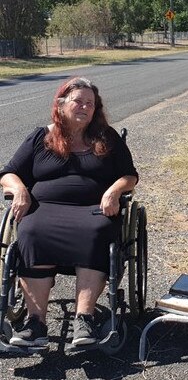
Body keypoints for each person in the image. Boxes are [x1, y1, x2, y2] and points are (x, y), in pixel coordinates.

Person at [0, 77, 138, 348]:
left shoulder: (107, 139)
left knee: (97, 232)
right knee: (30, 230)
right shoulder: (41, 137)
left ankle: (84, 319)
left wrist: (113, 191)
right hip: (44, 211)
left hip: (92, 211)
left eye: (90, 103)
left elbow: (129, 176)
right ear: (61, 104)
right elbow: (8, 172)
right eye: (78, 101)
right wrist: (19, 190)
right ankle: (35, 322)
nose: (85, 107)